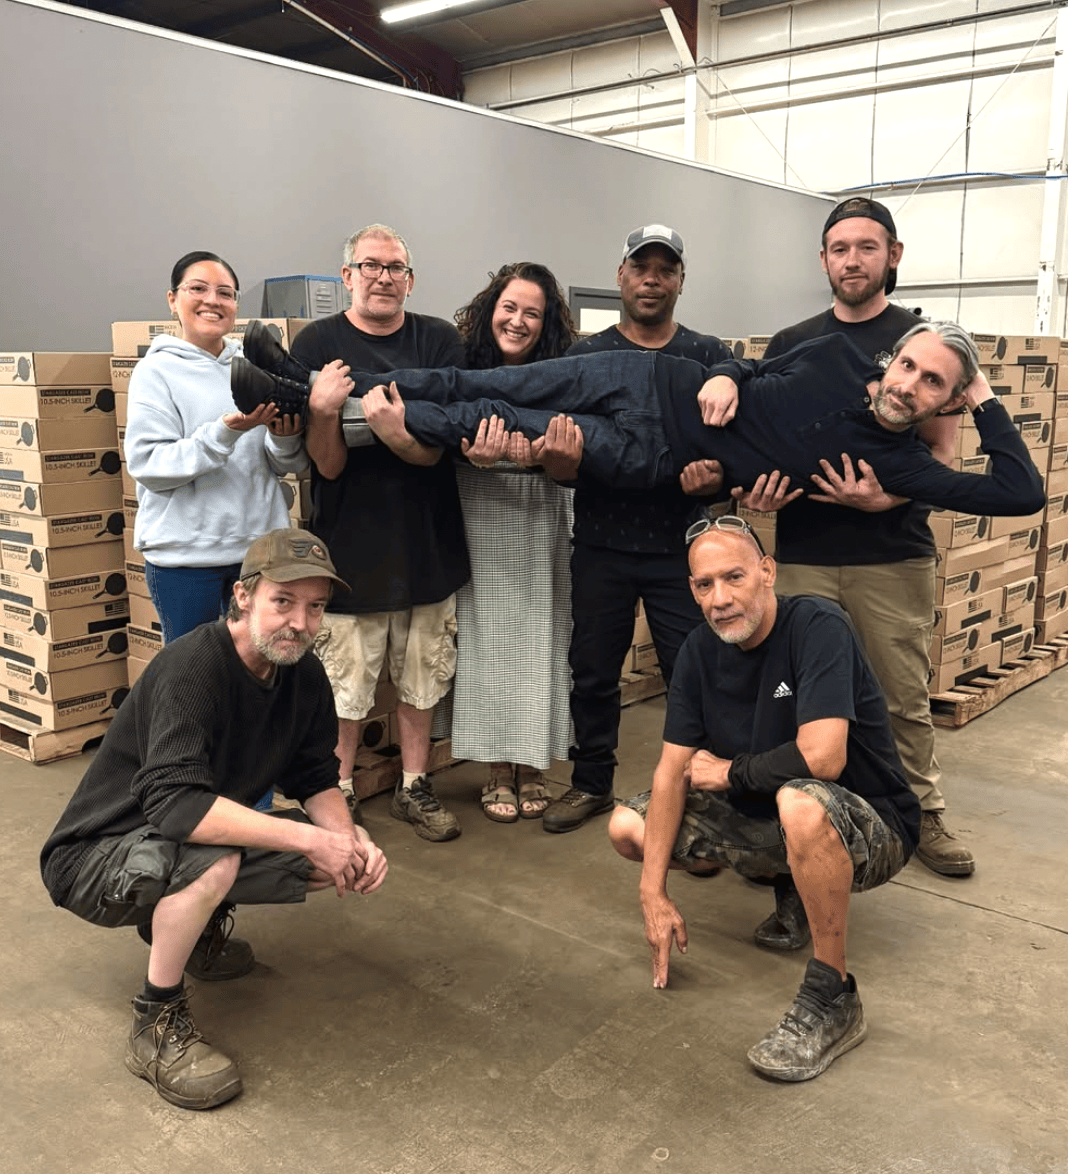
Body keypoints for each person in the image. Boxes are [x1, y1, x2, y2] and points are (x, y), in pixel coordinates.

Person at [39, 529, 388, 1110]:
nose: (300, 623)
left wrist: (347, 841)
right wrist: (310, 836)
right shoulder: (194, 666)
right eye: (284, 601)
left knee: (328, 858)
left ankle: (191, 930)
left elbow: (314, 776)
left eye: (315, 606)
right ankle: (155, 1023)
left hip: (169, 837)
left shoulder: (302, 675)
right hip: (93, 856)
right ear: (243, 596)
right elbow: (177, 804)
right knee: (217, 858)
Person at [607, 518, 920, 1081]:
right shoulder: (698, 651)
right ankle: (794, 884)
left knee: (801, 802)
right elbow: (672, 770)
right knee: (628, 826)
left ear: (767, 572)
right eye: (705, 585)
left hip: (870, 823)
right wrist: (652, 892)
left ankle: (834, 995)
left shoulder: (818, 625)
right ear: (692, 590)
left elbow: (823, 759)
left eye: (734, 577)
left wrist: (730, 772)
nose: (721, 599)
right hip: (769, 811)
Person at [232, 320, 1044, 522]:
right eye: (910, 366)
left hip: (644, 453)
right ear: (892, 360)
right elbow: (752, 369)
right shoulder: (833, 353)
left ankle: (299, 396)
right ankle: (302, 383)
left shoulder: (896, 468)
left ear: (946, 400)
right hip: (645, 375)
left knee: (486, 413)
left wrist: (985, 397)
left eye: (934, 384)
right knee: (477, 378)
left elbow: (1019, 494)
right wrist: (724, 372)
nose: (910, 385)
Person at [754, 197, 974, 876]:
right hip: (804, 554)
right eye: (840, 248)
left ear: (893, 255)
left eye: (867, 247)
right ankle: (786, 816)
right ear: (823, 259)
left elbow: (943, 456)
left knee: (900, 694)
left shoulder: (924, 342)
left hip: (892, 555)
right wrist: (755, 495)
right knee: (792, 694)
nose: (853, 260)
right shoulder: (790, 344)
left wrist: (884, 498)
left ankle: (921, 812)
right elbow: (765, 442)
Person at [249, 224, 471, 842]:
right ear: (347, 276)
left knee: (423, 675)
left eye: (395, 267)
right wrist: (323, 412)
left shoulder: (439, 341)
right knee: (344, 683)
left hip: (428, 544)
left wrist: (396, 433)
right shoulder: (319, 342)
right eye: (370, 266)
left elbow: (438, 449)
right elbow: (326, 465)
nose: (383, 277)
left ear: (410, 280)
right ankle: (338, 788)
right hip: (349, 549)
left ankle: (414, 786)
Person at [126, 250, 307, 813]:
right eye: (198, 289)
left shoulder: (251, 367)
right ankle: (191, 807)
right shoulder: (156, 371)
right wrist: (225, 432)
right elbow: (149, 464)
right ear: (173, 299)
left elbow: (283, 464)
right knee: (192, 693)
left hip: (257, 558)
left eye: (225, 292)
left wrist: (282, 435)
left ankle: (256, 808)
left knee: (260, 685)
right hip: (188, 563)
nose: (213, 300)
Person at [449, 262, 578, 822]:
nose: (518, 321)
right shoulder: (463, 370)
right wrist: (468, 453)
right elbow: (436, 437)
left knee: (543, 638)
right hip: (480, 511)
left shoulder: (565, 377)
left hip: (544, 516)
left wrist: (553, 458)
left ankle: (534, 765)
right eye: (509, 308)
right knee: (488, 641)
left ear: (547, 324)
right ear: (489, 311)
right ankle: (498, 769)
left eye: (532, 313)